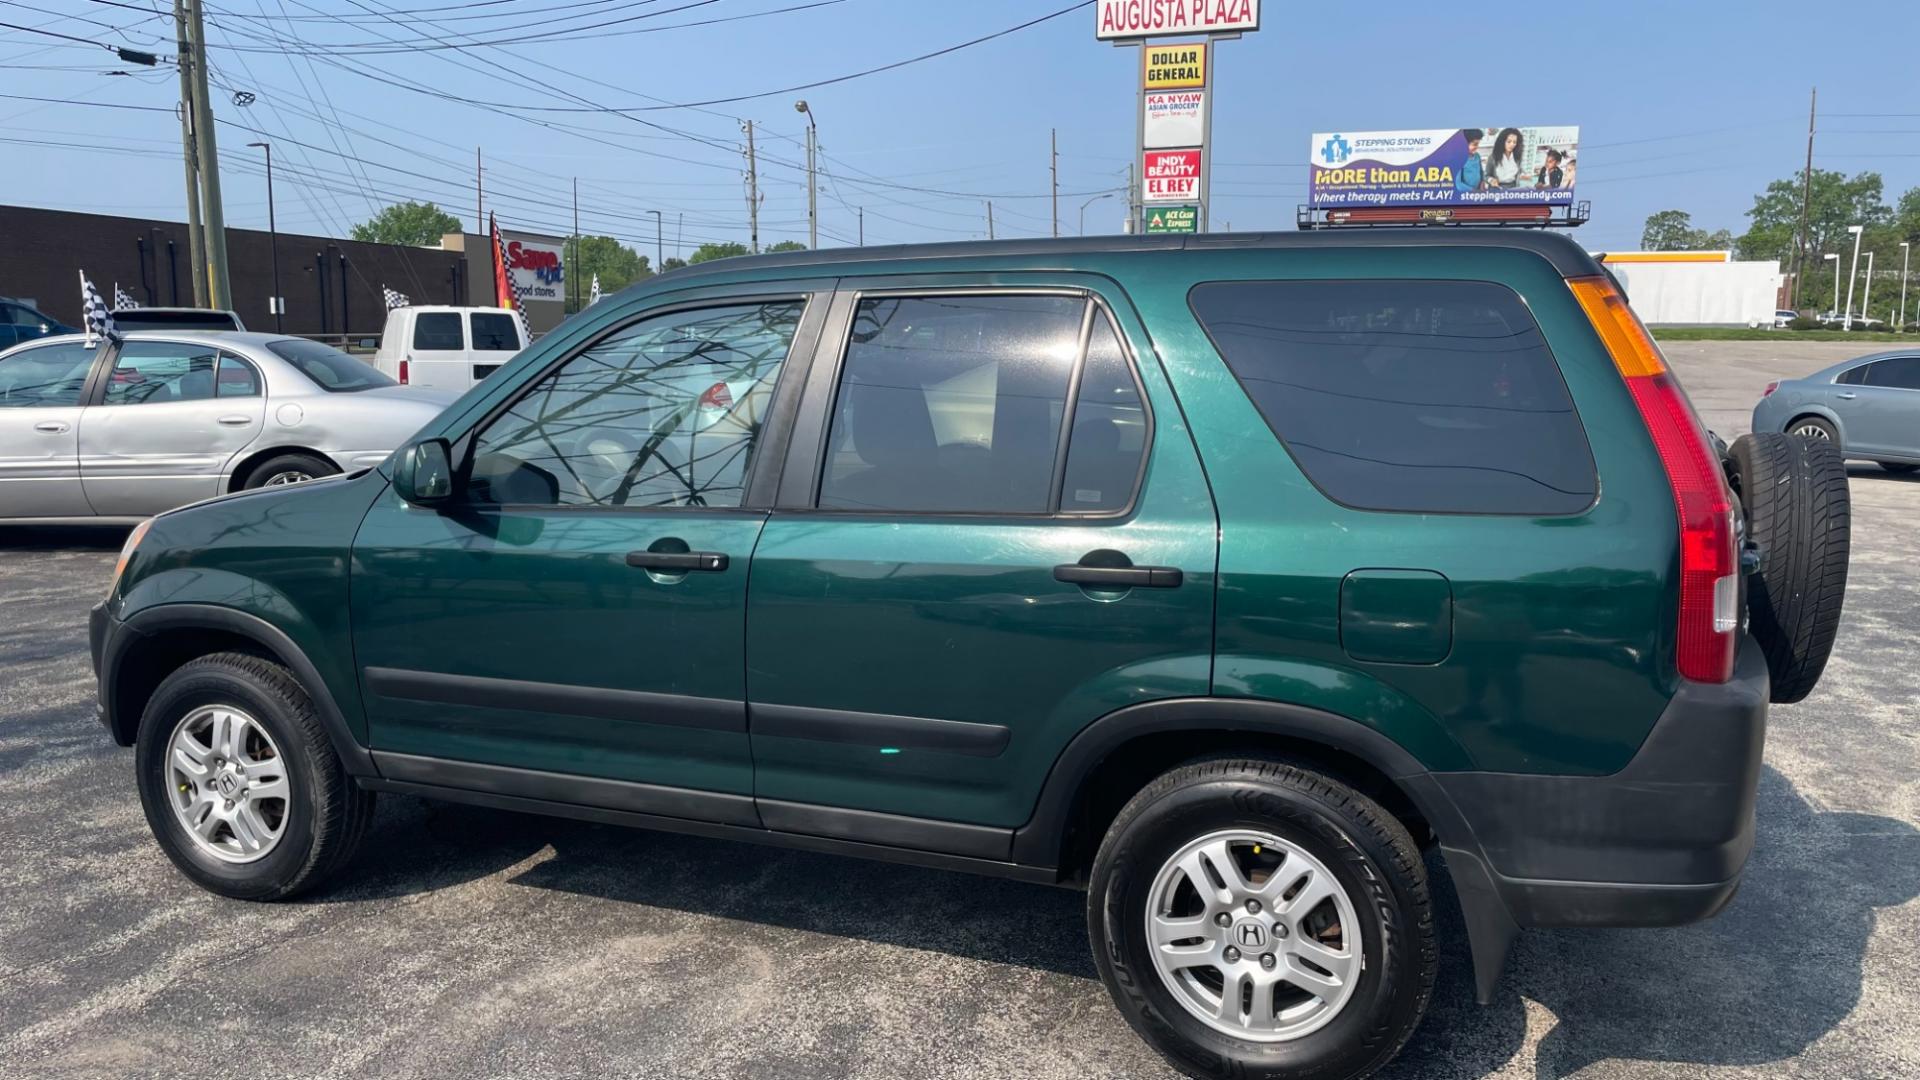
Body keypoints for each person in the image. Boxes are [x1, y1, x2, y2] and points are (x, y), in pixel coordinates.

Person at [1455, 129, 1485, 193]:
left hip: (1478, 192)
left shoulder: (1477, 156)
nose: (1477, 147)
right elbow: (1458, 184)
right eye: (1475, 144)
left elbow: (1481, 172)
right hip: (1467, 194)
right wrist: (1474, 191)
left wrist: (1482, 183)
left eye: (1478, 144)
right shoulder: (1459, 159)